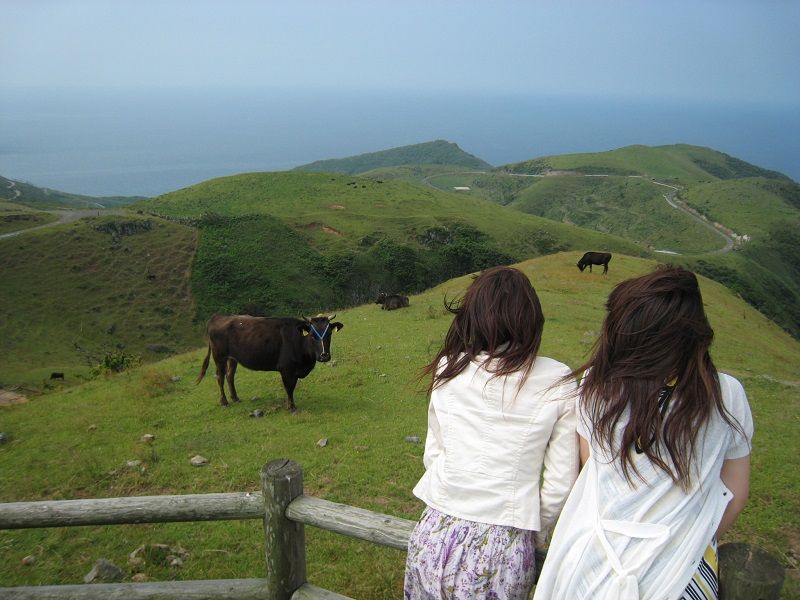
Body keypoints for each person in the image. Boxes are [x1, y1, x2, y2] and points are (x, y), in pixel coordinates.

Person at [534, 266, 753, 600]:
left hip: (591, 567)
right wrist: (692, 538)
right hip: (681, 577)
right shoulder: (726, 395)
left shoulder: (596, 385)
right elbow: (736, 493)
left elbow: (592, 472)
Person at [404, 265, 579, 599]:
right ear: (531, 318)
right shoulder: (558, 379)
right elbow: (560, 483)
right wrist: (535, 533)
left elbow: (434, 453)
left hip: (434, 531)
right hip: (504, 544)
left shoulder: (448, 367)